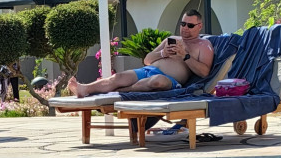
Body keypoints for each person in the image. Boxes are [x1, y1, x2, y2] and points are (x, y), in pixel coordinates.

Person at [68, 10, 214, 98]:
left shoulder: (203, 46)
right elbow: (147, 60)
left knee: (158, 81)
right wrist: (162, 53)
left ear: (199, 26)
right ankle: (84, 89)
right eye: (183, 24)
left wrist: (185, 56)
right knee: (118, 77)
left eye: (190, 25)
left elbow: (204, 72)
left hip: (170, 80)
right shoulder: (172, 39)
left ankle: (120, 91)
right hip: (148, 70)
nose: (185, 28)